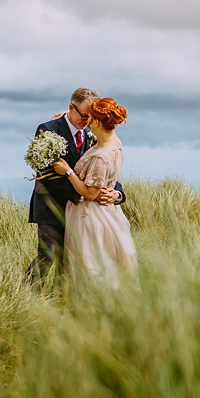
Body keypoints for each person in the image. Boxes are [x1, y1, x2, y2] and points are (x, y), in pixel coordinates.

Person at [28, 87, 124, 280]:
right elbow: (46, 174)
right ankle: (28, 296)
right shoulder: (48, 130)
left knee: (72, 262)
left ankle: (62, 302)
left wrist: (117, 194)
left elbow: (102, 170)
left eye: (91, 116)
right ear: (71, 108)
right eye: (83, 115)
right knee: (48, 255)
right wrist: (84, 194)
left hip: (83, 213)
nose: (87, 121)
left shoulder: (94, 133)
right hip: (52, 206)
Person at [53, 97, 136, 288]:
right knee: (107, 263)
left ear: (97, 122)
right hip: (108, 214)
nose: (86, 123)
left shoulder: (101, 156)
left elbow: (90, 193)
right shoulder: (113, 142)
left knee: (90, 266)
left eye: (89, 119)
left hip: (90, 216)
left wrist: (68, 171)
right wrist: (63, 118)